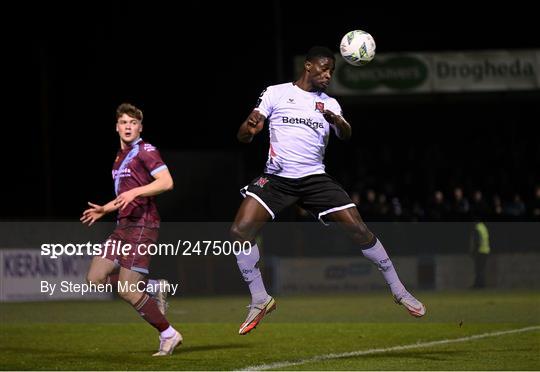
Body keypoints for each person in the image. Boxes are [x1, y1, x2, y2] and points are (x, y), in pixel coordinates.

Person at [230, 46, 426, 336]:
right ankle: (260, 298)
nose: (327, 74)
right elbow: (243, 135)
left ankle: (398, 290)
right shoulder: (275, 93)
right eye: (323, 68)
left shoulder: (330, 104)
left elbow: (345, 133)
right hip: (277, 178)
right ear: (308, 66)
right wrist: (249, 128)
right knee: (239, 232)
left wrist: (338, 121)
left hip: (314, 179)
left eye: (332, 71)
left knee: (359, 229)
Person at [80, 103, 182, 356]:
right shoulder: (119, 158)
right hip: (122, 227)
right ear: (117, 127)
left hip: (142, 225)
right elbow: (124, 196)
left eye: (133, 123)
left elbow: (167, 182)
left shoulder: (145, 151)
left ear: (140, 128)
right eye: (124, 122)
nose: (128, 126)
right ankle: (152, 287)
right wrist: (104, 209)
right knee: (94, 279)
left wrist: (136, 191)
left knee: (127, 290)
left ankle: (168, 334)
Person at [470, 220, 491, 288]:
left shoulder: (477, 228)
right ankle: (480, 284)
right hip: (485, 251)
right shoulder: (483, 227)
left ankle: (479, 285)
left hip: (480, 252)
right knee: (481, 269)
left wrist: (474, 252)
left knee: (478, 269)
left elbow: (477, 241)